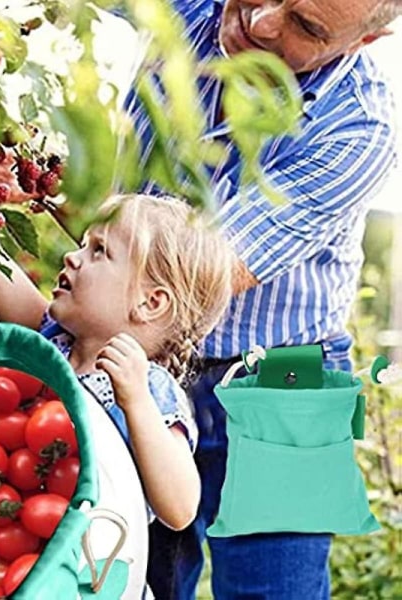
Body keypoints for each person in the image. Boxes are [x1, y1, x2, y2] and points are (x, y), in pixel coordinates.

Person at [117, 0, 399, 599]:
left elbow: (201, 271)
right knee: (136, 573)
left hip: (282, 376)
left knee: (274, 590)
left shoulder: (358, 126)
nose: (262, 21)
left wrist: (76, 222)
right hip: (153, 348)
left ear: (362, 42)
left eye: (306, 27)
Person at [0, 190, 234, 540]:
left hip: (85, 569)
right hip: (9, 539)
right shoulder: (52, 341)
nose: (72, 257)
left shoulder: (148, 388)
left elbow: (180, 509)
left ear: (150, 303)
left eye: (99, 251)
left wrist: (136, 402)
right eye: (84, 244)